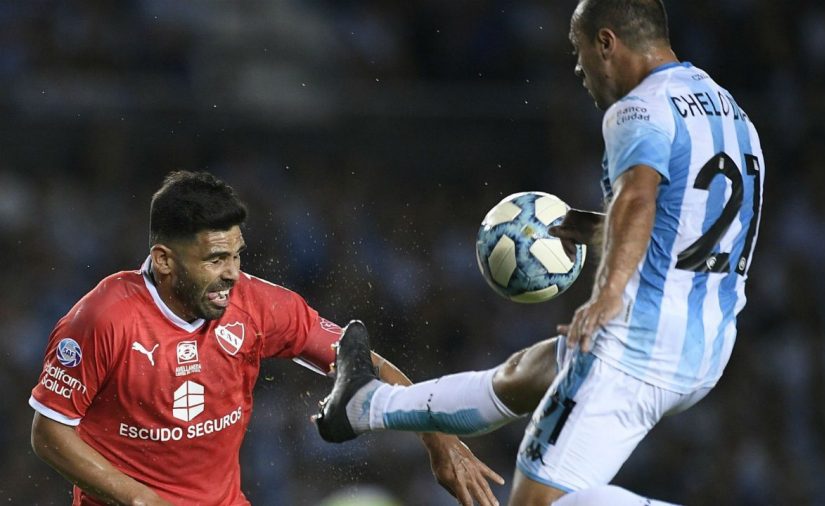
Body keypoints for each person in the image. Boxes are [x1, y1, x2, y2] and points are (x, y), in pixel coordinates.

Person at [315, 0, 765, 504]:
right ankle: (365, 404)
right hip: (704, 349)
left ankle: (366, 406)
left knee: (534, 504)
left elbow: (638, 196)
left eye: (578, 50)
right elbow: (691, 228)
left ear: (607, 43)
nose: (578, 67)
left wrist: (608, 296)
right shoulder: (731, 112)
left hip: (637, 348)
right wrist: (600, 231)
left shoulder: (637, 108)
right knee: (527, 375)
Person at [28, 171, 503, 506]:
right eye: (215, 259)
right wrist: (137, 498)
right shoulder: (103, 318)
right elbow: (49, 432)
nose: (233, 273)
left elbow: (361, 363)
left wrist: (438, 438)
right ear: (165, 259)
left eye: (237, 255)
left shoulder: (258, 304)